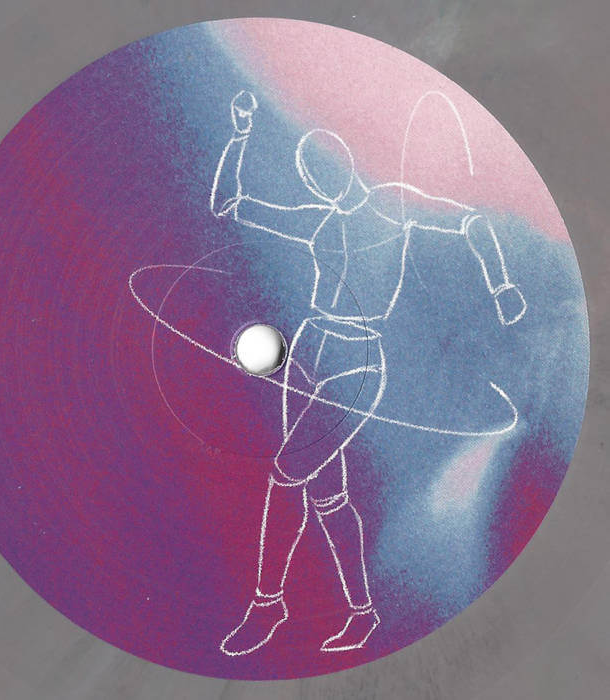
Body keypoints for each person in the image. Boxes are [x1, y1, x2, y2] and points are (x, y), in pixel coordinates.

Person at [210, 90, 526, 655]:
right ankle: (362, 613)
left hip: (355, 363)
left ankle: (268, 604)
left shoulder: (392, 207)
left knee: (286, 474)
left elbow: (473, 223)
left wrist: (501, 285)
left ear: (344, 163)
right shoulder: (319, 221)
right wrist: (239, 135)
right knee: (326, 497)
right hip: (306, 355)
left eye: (323, 168)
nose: (319, 183)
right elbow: (228, 204)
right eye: (311, 177)